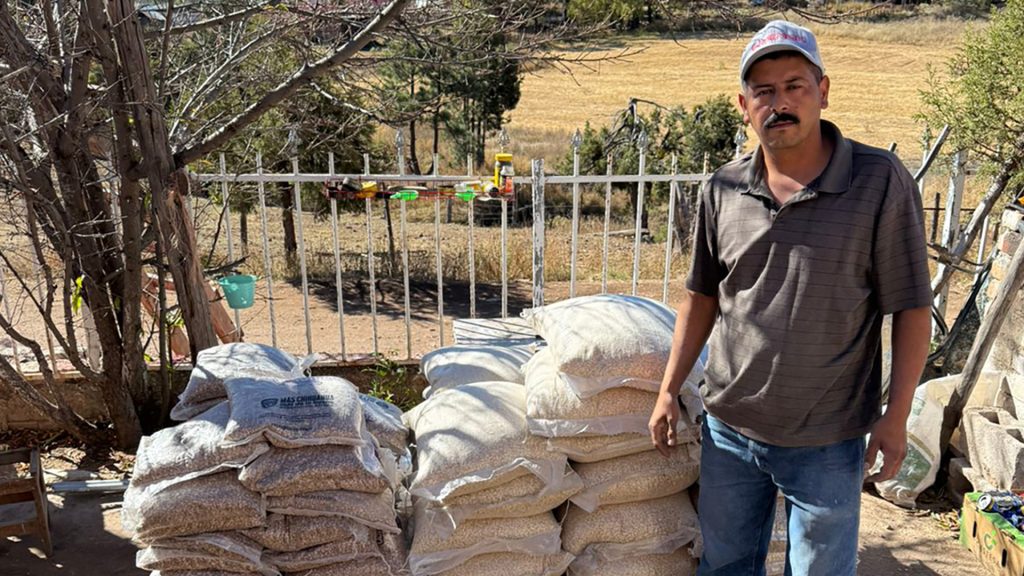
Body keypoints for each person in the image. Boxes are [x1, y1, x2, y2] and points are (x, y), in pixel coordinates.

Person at [648, 20, 932, 576]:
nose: (779, 103)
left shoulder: (878, 181)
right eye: (764, 91)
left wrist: (895, 417)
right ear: (744, 106)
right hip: (729, 430)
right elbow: (700, 299)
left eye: (794, 86)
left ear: (823, 90)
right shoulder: (723, 188)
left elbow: (911, 308)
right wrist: (666, 390)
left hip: (827, 438)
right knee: (725, 566)